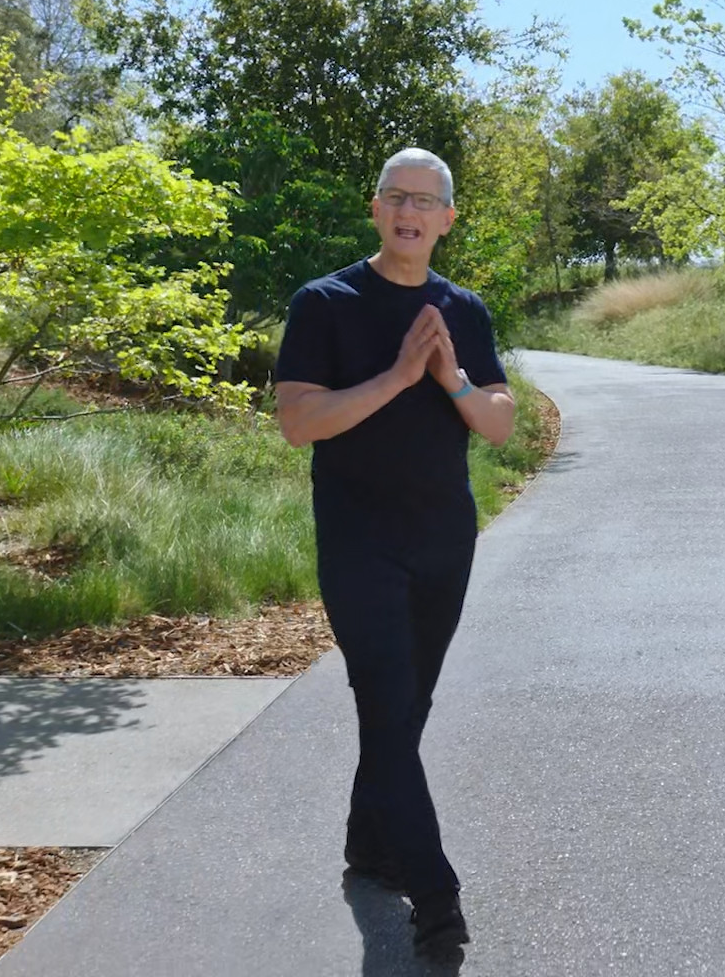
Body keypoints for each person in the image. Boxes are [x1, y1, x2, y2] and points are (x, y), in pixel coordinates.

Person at [273, 147, 515, 959]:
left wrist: (448, 378)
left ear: (448, 218)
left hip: (445, 540)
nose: (409, 211)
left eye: (426, 200)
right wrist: (399, 375)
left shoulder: (464, 311)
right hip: (359, 542)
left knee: (404, 713)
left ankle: (368, 848)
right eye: (395, 196)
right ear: (375, 208)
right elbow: (301, 421)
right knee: (385, 701)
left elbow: (499, 421)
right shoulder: (326, 303)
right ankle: (437, 895)